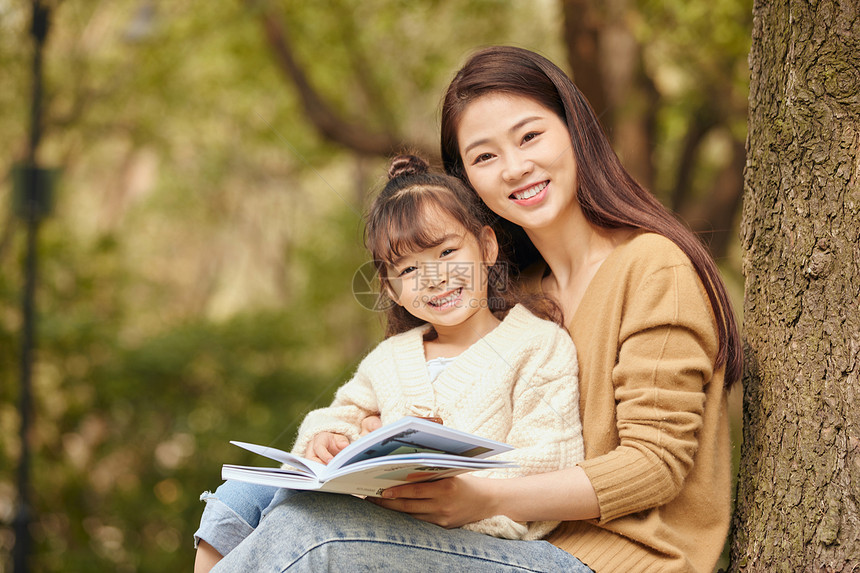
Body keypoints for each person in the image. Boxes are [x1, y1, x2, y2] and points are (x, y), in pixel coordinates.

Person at [208, 45, 742, 573]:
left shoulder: (653, 267)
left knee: (311, 534)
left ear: (576, 130)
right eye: (485, 156)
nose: (515, 168)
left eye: (530, 136)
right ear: (468, 182)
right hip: (502, 542)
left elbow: (656, 466)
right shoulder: (514, 295)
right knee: (251, 489)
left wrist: (483, 498)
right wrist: (362, 434)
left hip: (609, 560)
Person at [193, 154, 585, 571]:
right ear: (392, 289)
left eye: (448, 251)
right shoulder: (391, 357)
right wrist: (328, 440)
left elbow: (547, 462)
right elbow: (340, 415)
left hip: (487, 541)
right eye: (410, 268)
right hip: (386, 516)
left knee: (298, 521)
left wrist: (455, 491)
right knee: (241, 491)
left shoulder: (537, 345)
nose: (434, 277)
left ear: (487, 247)